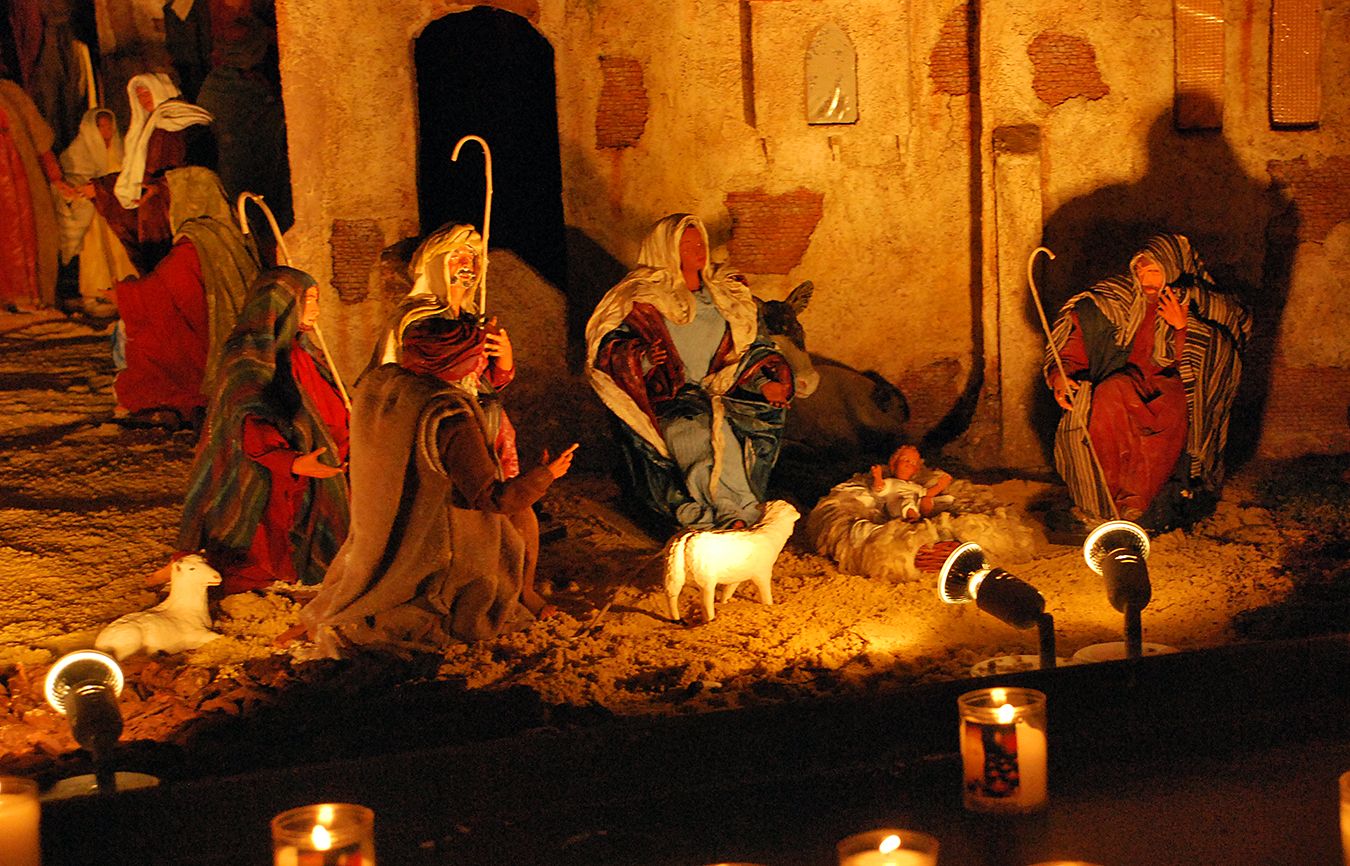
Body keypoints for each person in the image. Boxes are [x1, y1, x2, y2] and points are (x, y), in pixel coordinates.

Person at [296, 308, 577, 656]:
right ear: (457, 360)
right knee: (519, 518)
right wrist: (547, 475)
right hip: (433, 541)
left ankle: (525, 592)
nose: (479, 366)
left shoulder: (384, 385)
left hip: (380, 533)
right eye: (475, 356)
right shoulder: (448, 414)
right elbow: (492, 499)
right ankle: (516, 593)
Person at [369, 223, 552, 616]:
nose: (467, 268)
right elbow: (441, 362)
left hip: (486, 423)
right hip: (445, 429)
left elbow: (484, 380)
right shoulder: (416, 318)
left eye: (472, 260)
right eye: (458, 259)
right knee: (465, 515)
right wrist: (475, 338)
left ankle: (524, 587)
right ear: (435, 266)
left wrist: (504, 359)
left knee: (518, 507)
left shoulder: (468, 317)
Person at [586, 213, 796, 530]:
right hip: (670, 400)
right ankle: (723, 514)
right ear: (667, 249)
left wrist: (763, 384)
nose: (699, 249)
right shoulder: (642, 298)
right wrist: (642, 358)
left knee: (727, 433)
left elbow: (745, 351)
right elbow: (608, 351)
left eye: (700, 241)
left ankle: (745, 510)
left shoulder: (727, 295)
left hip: (721, 394)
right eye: (688, 244)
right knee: (697, 436)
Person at [1044, 233, 1250, 525]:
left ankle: (1136, 504)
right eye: (1140, 272)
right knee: (1108, 395)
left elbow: (1223, 352)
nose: (1146, 280)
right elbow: (1081, 328)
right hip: (1131, 378)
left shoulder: (1207, 302)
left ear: (1172, 267)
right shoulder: (1124, 298)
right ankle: (1104, 500)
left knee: (1168, 415)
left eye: (1154, 271)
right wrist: (1060, 374)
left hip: (1178, 382)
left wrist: (1184, 326)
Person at [177, 267, 350, 595]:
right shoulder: (248, 357)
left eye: (316, 301)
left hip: (321, 460)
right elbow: (246, 415)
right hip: (272, 469)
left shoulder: (304, 351)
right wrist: (291, 461)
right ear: (283, 304)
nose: (316, 310)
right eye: (308, 301)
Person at [105, 165, 259, 427]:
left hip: (201, 342)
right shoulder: (232, 234)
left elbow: (160, 292)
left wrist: (122, 294)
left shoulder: (193, 243)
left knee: (137, 334)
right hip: (233, 336)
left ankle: (162, 401)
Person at [86, 72, 212, 274]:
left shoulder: (186, 122)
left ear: (160, 90)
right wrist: (101, 187)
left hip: (179, 212)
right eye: (140, 96)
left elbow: (200, 170)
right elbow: (137, 174)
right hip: (152, 213)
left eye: (147, 93)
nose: (144, 100)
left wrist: (161, 187)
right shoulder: (148, 128)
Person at [0, 75, 78, 312]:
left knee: (24, 234)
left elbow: (39, 138)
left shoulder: (10, 92)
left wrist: (55, 177)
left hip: (17, 175)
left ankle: (28, 295)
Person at [57, 107, 136, 314]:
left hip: (117, 210)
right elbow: (74, 177)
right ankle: (95, 293)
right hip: (93, 213)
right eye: (100, 126)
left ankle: (126, 290)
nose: (106, 130)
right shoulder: (79, 151)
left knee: (121, 251)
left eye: (109, 125)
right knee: (95, 253)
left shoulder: (123, 148)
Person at [869, 444, 954, 521]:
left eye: (913, 463)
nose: (908, 464)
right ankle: (912, 518)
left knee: (927, 499)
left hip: (916, 507)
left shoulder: (915, 486)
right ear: (894, 463)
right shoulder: (892, 482)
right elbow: (879, 489)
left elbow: (927, 493)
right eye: (905, 459)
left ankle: (926, 516)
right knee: (907, 501)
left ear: (915, 470)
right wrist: (878, 477)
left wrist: (940, 486)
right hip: (897, 508)